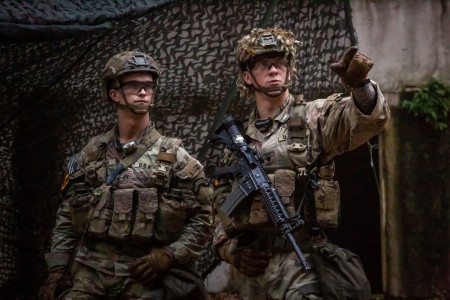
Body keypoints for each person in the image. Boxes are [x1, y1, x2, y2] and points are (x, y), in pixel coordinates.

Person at [211, 27, 391, 299]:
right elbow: (219, 208)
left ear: (290, 71)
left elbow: (369, 119)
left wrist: (360, 86)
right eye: (263, 64)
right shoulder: (238, 141)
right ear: (247, 76)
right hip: (252, 276)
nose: (273, 70)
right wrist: (230, 252)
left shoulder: (314, 116)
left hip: (302, 266)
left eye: (280, 63)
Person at [38, 51, 213, 300]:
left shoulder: (175, 157)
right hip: (88, 276)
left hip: (143, 276)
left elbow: (204, 216)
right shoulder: (90, 154)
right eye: (133, 85)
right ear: (114, 93)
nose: (143, 92)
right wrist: (56, 270)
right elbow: (67, 217)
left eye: (148, 86)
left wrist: (168, 256)